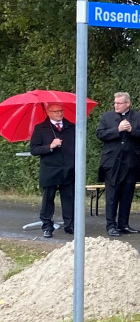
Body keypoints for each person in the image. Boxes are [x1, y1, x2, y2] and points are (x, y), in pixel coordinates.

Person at [96, 92, 140, 236]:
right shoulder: (106, 117)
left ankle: (123, 224)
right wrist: (117, 130)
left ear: (127, 103)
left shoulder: (139, 117)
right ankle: (111, 225)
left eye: (119, 103)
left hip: (131, 162)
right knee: (112, 196)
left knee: (127, 195)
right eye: (115, 103)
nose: (116, 105)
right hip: (112, 163)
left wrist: (132, 130)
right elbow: (100, 134)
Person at [29, 102, 75, 238]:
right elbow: (34, 150)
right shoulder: (40, 128)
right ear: (48, 113)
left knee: (69, 199)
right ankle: (47, 226)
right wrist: (50, 146)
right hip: (50, 170)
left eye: (61, 110)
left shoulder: (71, 127)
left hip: (68, 169)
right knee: (48, 199)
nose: (59, 113)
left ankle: (70, 225)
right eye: (55, 111)